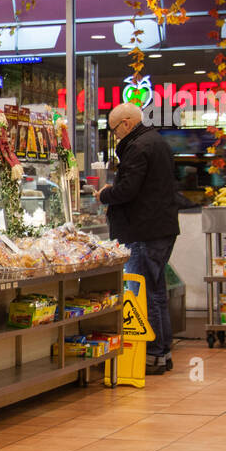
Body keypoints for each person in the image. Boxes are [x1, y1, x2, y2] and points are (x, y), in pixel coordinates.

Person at [97, 102, 180, 375]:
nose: (115, 135)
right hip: (160, 229)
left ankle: (153, 353)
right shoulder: (156, 142)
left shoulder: (137, 147)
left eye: (114, 130)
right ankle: (162, 352)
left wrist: (105, 194)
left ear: (127, 123)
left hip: (143, 231)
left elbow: (128, 190)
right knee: (156, 293)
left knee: (143, 294)